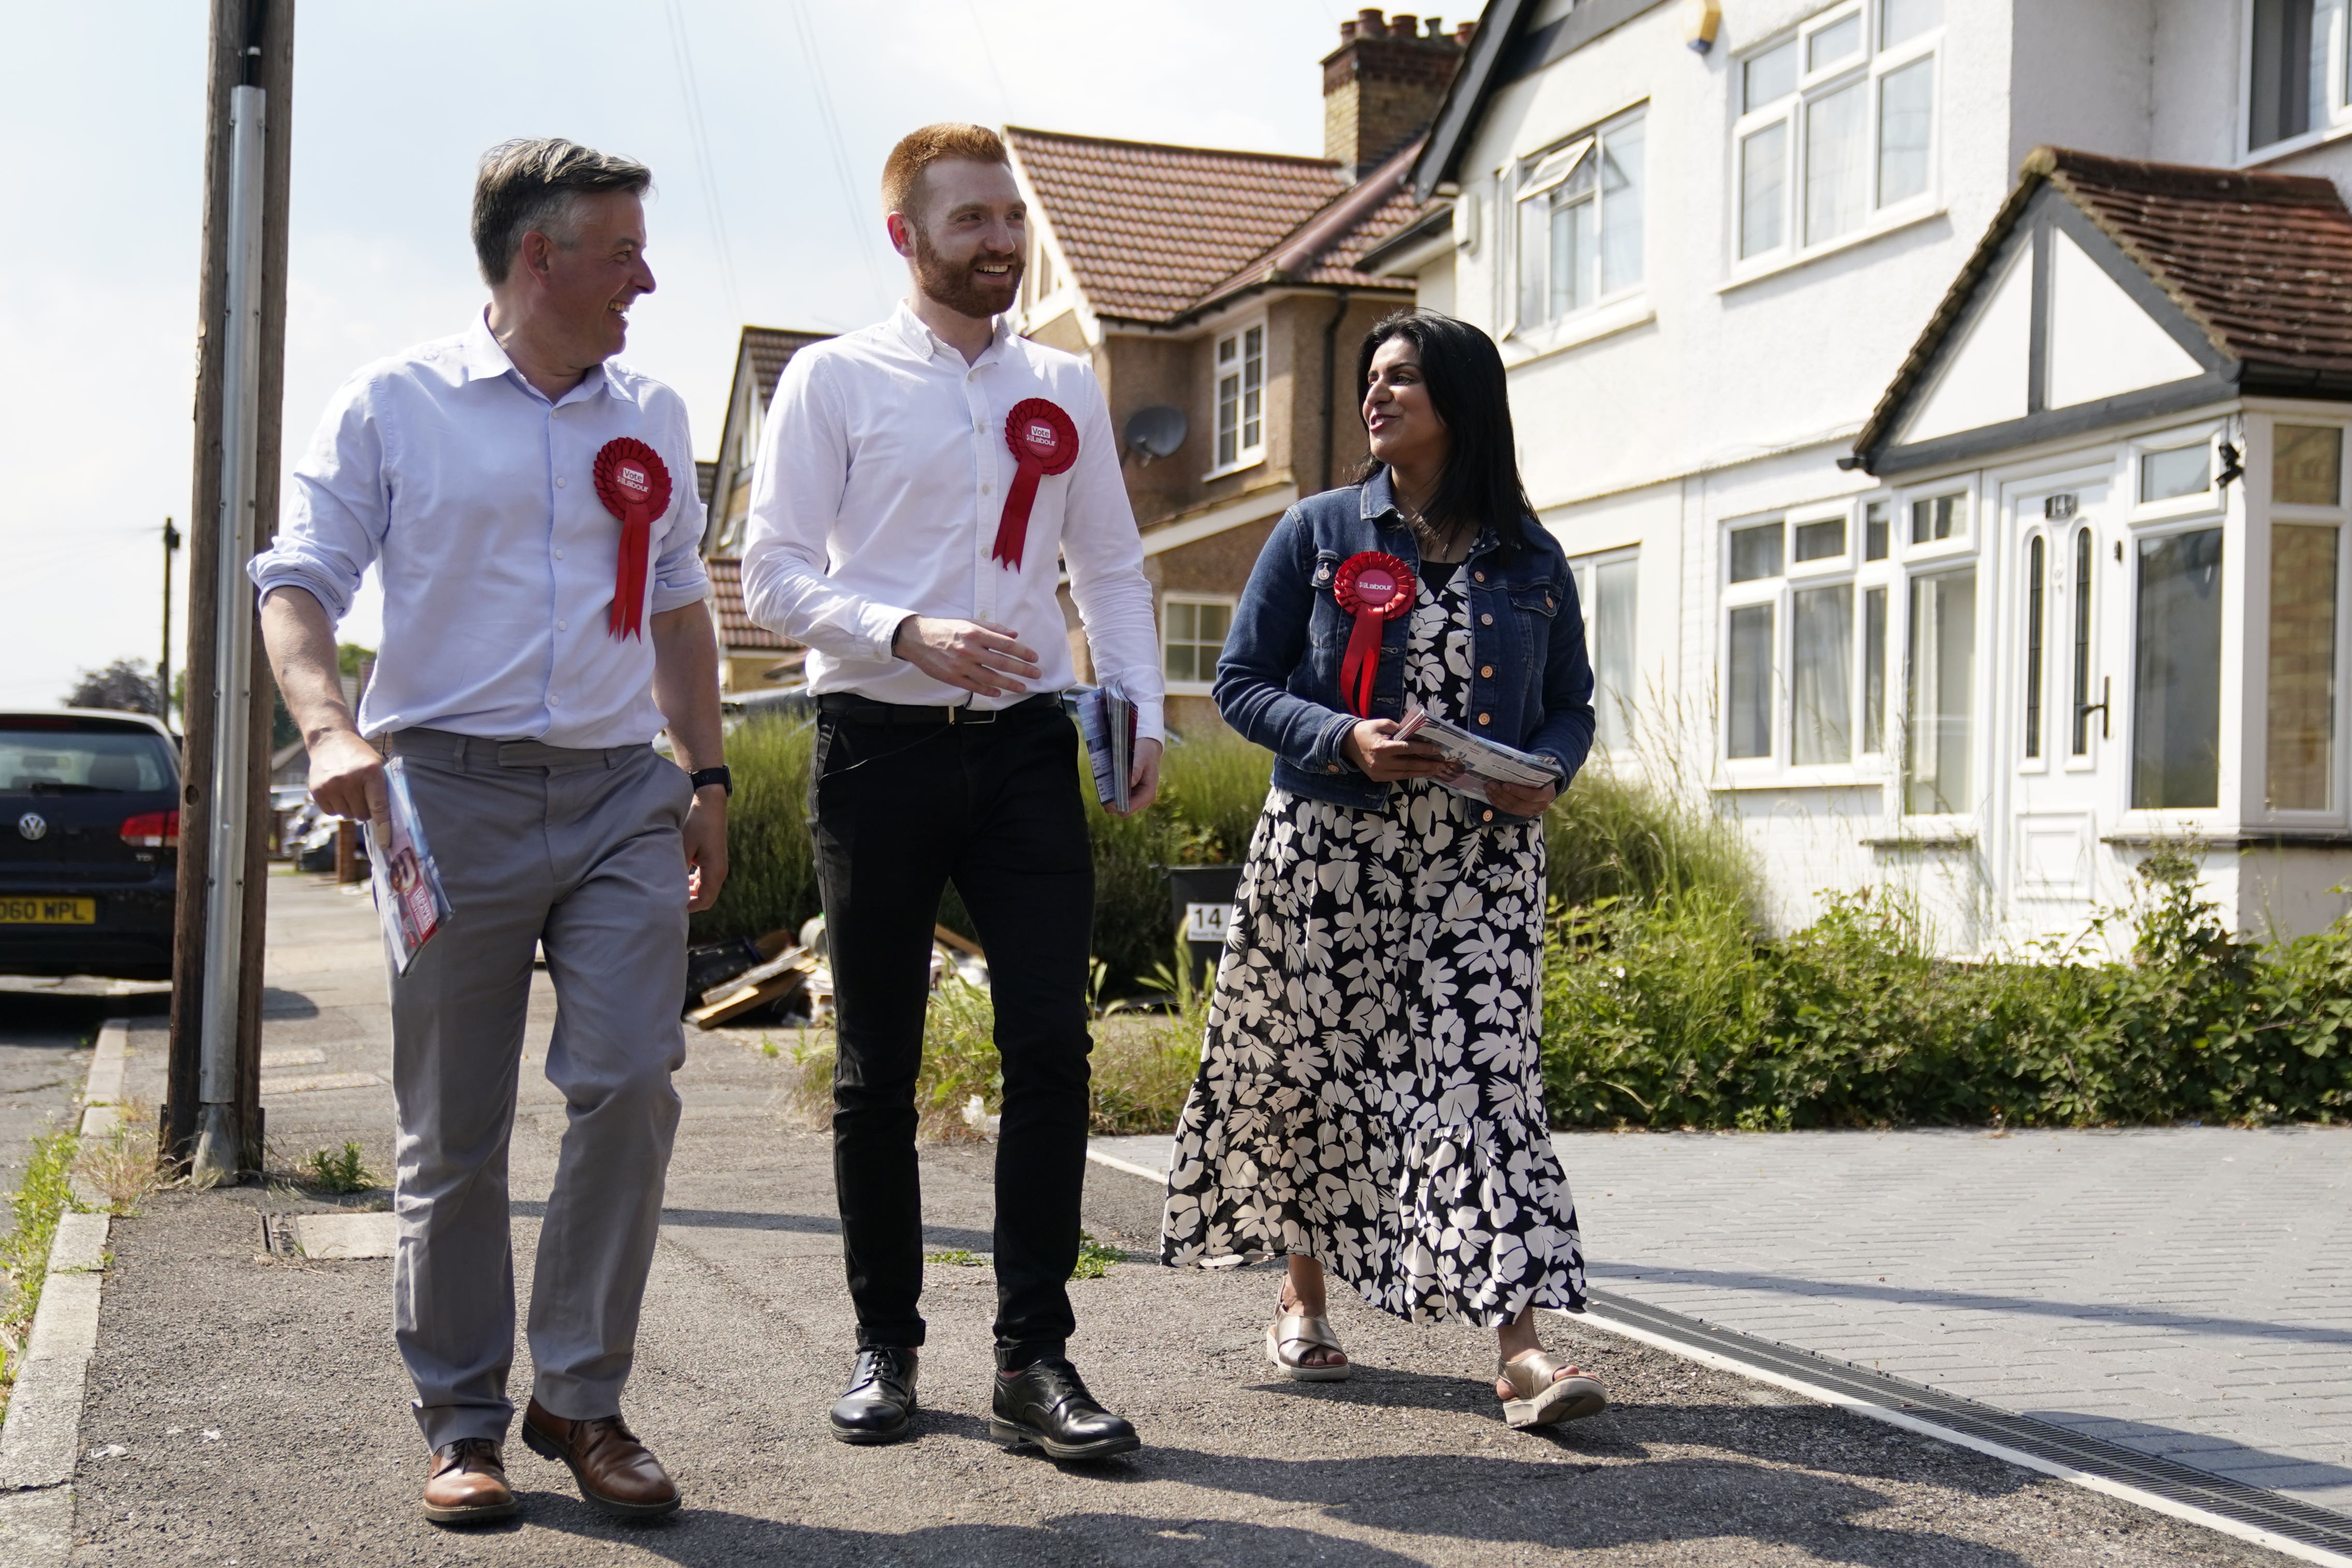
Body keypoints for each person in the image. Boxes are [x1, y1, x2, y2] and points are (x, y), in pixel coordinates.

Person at [253, 138, 729, 1523]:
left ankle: (580, 1392)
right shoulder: (393, 404)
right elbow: (298, 583)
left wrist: (704, 775)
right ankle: (463, 1419)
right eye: (624, 248)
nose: (647, 275)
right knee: (454, 1127)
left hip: (615, 793)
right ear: (541, 254)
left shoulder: (650, 409)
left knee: (633, 1074)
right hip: (445, 795)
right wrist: (332, 724)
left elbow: (684, 612)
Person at [741, 123, 1162, 1461]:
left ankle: (1033, 1357)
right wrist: (902, 630)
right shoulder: (831, 382)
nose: (999, 241)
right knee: (880, 1061)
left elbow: (1107, 563)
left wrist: (1137, 706)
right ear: (905, 235)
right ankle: (888, 1344)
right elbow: (771, 579)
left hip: (1030, 748)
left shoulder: (1064, 385)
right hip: (878, 742)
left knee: (1052, 1045)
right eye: (970, 219)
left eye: (1008, 218)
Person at [1159, 310, 1608, 1431]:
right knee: (1317, 1071)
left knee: (1485, 1081)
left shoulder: (1529, 555)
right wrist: (1343, 738)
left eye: (1402, 377)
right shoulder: (1316, 533)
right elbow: (1242, 683)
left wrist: (1546, 770)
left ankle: (1519, 1353)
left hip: (1481, 864)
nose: (1377, 395)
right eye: (1369, 378)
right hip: (1331, 855)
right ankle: (1301, 1299)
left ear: (1461, 397)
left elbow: (1569, 705)